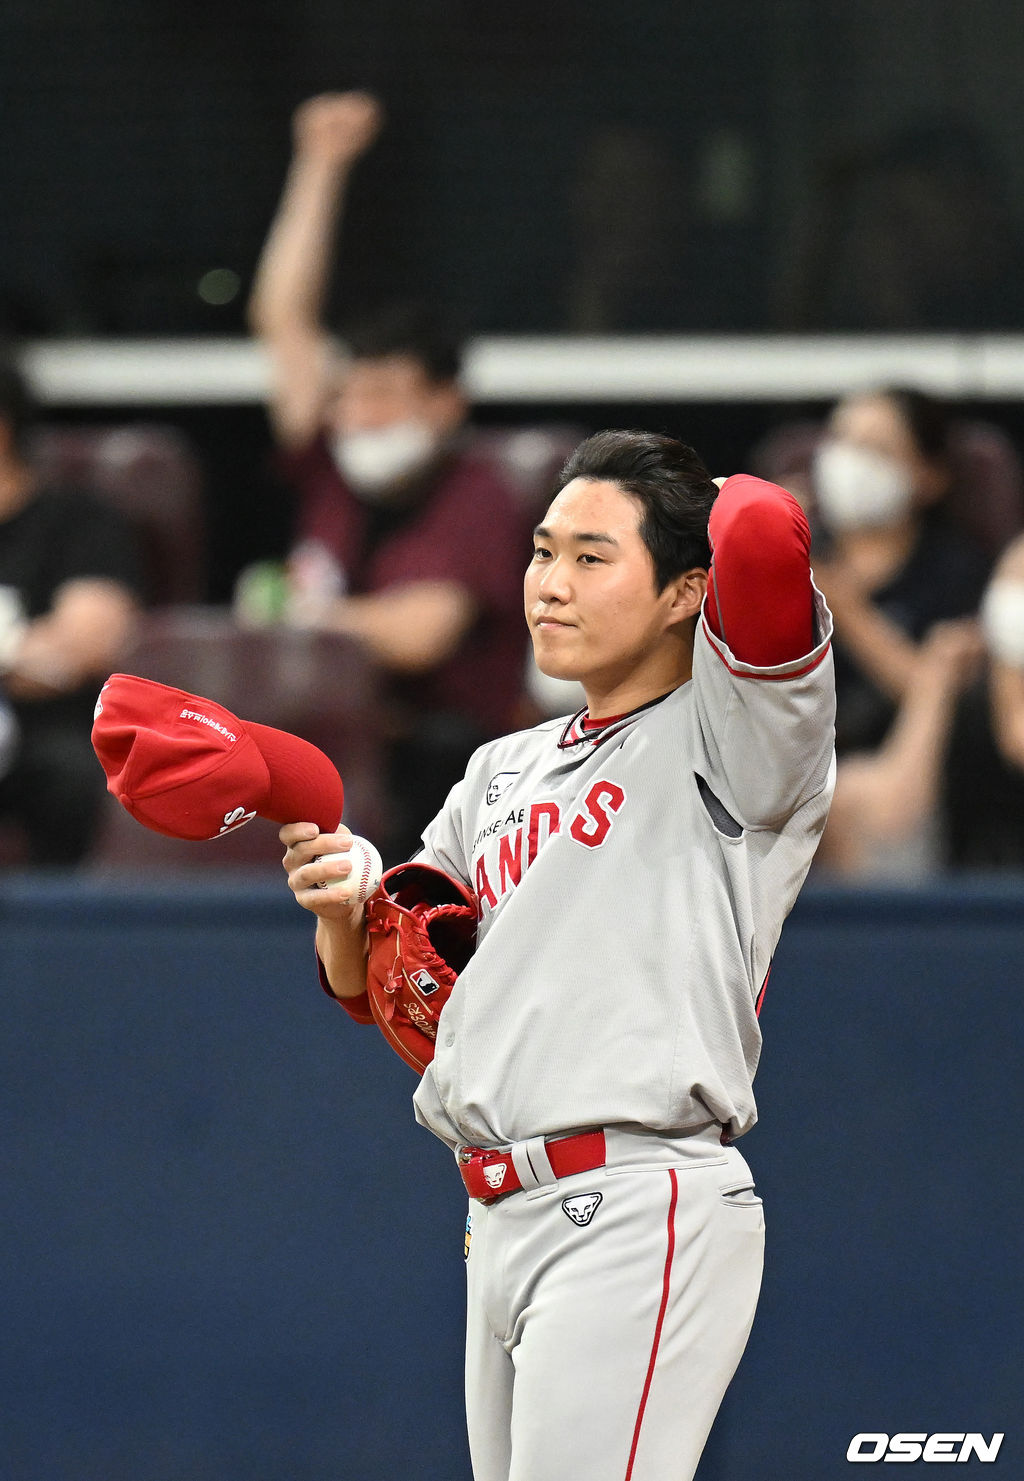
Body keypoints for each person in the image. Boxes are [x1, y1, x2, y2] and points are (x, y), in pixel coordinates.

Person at [280, 430, 836, 1481]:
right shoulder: (499, 768)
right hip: (495, 1211)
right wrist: (343, 903)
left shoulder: (740, 736)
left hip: (635, 1196)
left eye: (592, 557)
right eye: (542, 552)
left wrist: (687, 487)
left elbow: (761, 526)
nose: (549, 584)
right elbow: (393, 993)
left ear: (683, 592)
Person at [248, 92, 530, 860]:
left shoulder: (480, 492)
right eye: (350, 396)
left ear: (445, 403)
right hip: (325, 728)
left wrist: (291, 616)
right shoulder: (330, 470)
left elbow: (419, 633)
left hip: (447, 761)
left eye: (385, 396)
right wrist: (319, 165)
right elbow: (284, 318)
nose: (360, 417)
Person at [779, 387, 991, 757]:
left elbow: (944, 703)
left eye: (876, 449)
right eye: (842, 439)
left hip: (906, 773)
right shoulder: (792, 545)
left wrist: (843, 604)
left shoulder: (958, 571)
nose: (850, 461)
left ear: (930, 476)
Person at [0, 355, 143, 865]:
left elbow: (79, 648)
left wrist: (24, 656)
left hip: (41, 736)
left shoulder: (77, 522)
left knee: (67, 773)